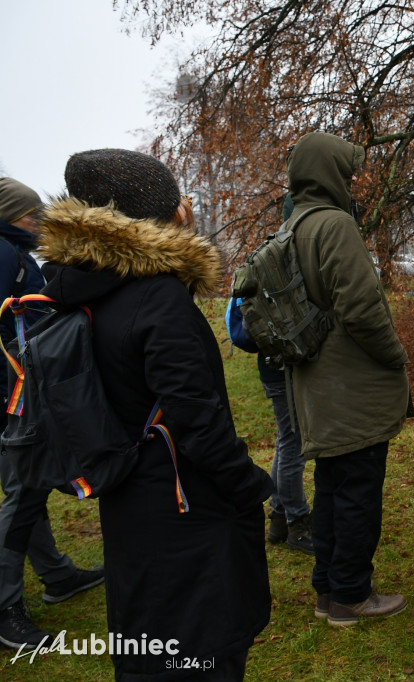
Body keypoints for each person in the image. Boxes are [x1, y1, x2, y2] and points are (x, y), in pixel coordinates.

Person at [35, 150, 274, 678]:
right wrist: (249, 485)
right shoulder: (157, 298)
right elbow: (199, 422)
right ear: (154, 215)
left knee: (150, 647)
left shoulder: (85, 286)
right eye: (175, 202)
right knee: (198, 652)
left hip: (131, 502)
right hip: (185, 512)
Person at [286, 132, 412, 627]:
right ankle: (352, 596)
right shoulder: (334, 225)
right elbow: (360, 309)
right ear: (329, 173)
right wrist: (395, 355)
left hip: (317, 388)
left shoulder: (292, 224)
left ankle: (328, 591)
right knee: (358, 490)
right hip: (351, 386)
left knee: (333, 488)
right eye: (348, 170)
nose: (354, 180)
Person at [0, 178, 105, 650]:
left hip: (18, 392)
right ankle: (4, 609)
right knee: (23, 493)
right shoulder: (4, 254)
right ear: (9, 215)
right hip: (14, 396)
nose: (37, 221)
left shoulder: (15, 252)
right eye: (29, 214)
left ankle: (57, 575)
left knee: (29, 481)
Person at [225, 194, 314, 555]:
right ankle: (297, 523)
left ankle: (278, 517)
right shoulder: (289, 255)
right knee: (293, 444)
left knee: (286, 440)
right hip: (286, 361)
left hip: (270, 360)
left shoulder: (264, 251)